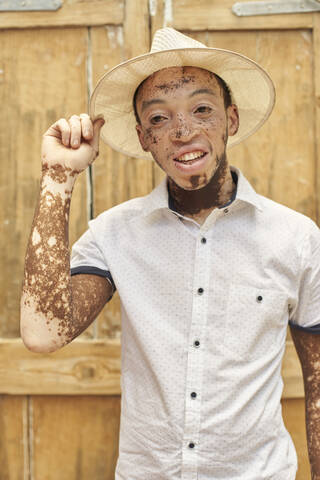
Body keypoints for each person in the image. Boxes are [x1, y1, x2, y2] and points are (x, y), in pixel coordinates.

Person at [20, 27, 320, 480]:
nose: (182, 131)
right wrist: (57, 178)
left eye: (202, 110)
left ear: (231, 119)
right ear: (143, 137)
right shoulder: (114, 235)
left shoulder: (296, 238)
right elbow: (42, 333)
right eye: (159, 119)